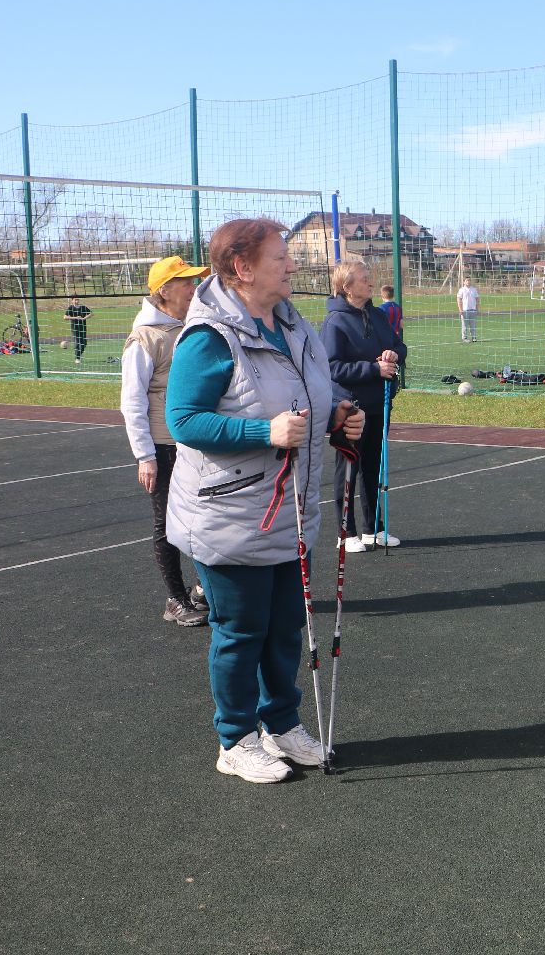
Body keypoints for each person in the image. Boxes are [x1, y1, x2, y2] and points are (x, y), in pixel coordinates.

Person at [165, 218, 362, 784]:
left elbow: (310, 396)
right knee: (241, 632)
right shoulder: (208, 337)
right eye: (281, 258)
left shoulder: (294, 324)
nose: (293, 266)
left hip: (289, 511)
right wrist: (264, 432)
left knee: (284, 627)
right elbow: (183, 420)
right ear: (243, 269)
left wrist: (338, 416)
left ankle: (282, 724)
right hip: (227, 513)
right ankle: (235, 739)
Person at [119, 255, 211, 627]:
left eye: (194, 281)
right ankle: (176, 599)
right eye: (186, 282)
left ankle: (203, 590)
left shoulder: (193, 326)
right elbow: (132, 401)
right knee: (168, 524)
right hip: (163, 446)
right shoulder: (144, 338)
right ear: (164, 291)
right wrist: (145, 456)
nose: (193, 288)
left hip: (197, 440)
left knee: (206, 516)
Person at [321, 257, 407, 551]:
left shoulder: (378, 315)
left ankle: (374, 528)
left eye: (369, 277)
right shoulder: (335, 322)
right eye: (364, 278)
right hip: (349, 408)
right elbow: (332, 367)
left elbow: (399, 345)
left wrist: (394, 355)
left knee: (373, 467)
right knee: (348, 468)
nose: (371, 282)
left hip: (379, 405)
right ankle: (345, 533)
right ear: (347, 287)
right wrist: (372, 369)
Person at [64, 296, 92, 365]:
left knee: (84, 343)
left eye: (78, 300)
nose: (77, 301)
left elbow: (91, 313)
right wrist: (75, 317)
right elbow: (65, 317)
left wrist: (84, 318)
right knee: (78, 343)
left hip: (83, 328)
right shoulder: (70, 308)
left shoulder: (83, 307)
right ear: (72, 300)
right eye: (75, 300)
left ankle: (79, 355)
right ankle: (77, 358)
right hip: (75, 328)